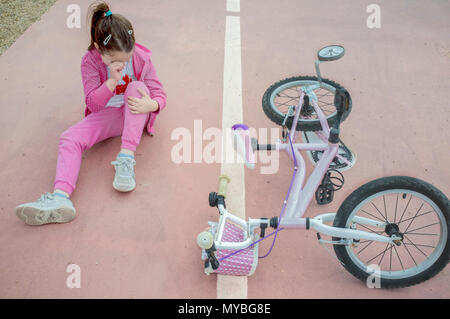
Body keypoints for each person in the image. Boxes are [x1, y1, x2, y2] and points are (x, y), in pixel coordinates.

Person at [15, 1, 166, 225]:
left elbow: (159, 93)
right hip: (110, 115)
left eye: (127, 58)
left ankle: (126, 159)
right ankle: (60, 198)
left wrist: (151, 106)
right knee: (69, 137)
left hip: (136, 113)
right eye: (115, 60)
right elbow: (93, 105)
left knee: (137, 87)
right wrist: (112, 82)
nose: (123, 64)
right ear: (98, 48)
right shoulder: (89, 62)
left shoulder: (141, 58)